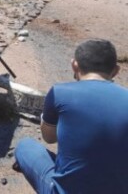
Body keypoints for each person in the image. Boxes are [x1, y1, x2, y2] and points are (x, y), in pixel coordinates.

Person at [14, 39, 128, 194]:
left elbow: (49, 137)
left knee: (25, 146)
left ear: (74, 65)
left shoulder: (59, 92)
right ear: (115, 70)